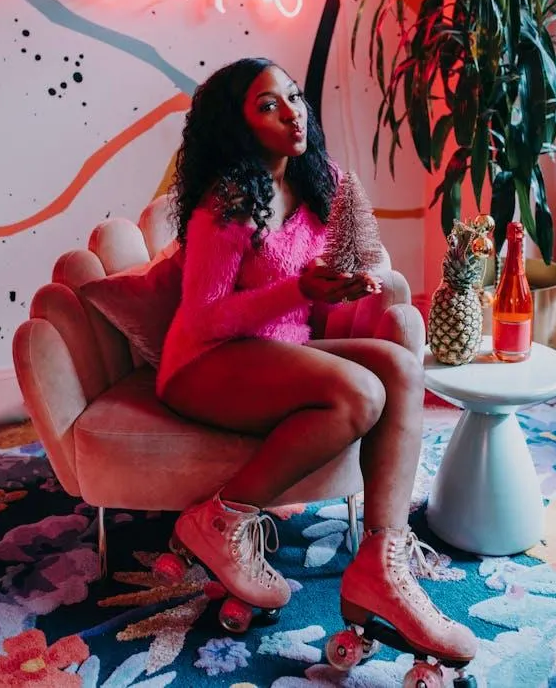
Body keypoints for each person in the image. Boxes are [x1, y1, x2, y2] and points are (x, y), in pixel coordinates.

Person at [156, 57, 477, 664]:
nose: (291, 113)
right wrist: (301, 290)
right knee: (360, 394)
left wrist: (361, 275)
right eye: (268, 105)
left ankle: (383, 562)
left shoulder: (318, 180)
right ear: (238, 125)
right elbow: (204, 319)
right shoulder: (226, 202)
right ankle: (219, 520)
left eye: (294, 97)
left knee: (399, 368)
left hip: (281, 354)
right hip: (204, 363)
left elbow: (376, 257)